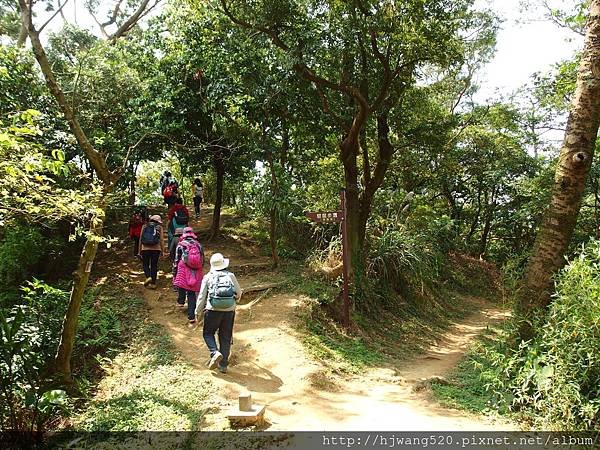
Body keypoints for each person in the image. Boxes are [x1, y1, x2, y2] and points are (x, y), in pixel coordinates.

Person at [195, 253, 242, 374]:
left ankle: (214, 352)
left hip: (212, 310)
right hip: (229, 311)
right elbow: (239, 292)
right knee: (225, 337)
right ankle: (223, 365)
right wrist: (234, 300)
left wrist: (197, 312)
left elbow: (201, 296)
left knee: (208, 333)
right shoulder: (230, 275)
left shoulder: (208, 277)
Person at [173, 227, 204, 324]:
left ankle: (181, 303)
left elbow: (176, 259)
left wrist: (175, 271)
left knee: (182, 285)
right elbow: (202, 259)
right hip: (196, 270)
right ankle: (191, 316)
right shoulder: (198, 245)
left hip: (183, 268)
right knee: (191, 293)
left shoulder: (181, 245)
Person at [139, 214, 166, 289]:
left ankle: (148, 277)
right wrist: (163, 251)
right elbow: (161, 240)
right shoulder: (159, 227)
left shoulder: (144, 226)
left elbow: (140, 239)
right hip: (156, 249)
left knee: (145, 264)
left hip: (145, 249)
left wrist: (139, 250)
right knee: (154, 265)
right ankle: (153, 283)